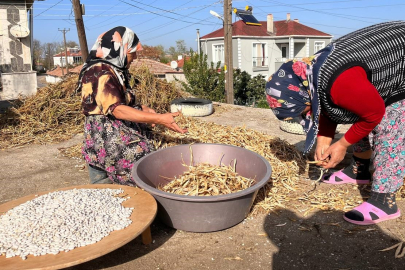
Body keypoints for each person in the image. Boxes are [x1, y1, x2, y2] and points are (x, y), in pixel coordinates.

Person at [265, 21, 405, 225]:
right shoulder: (309, 75)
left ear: (304, 96)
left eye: (302, 112)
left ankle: (385, 200)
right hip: (376, 64)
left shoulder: (340, 82)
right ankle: (360, 169)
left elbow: (374, 113)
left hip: (400, 65)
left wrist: (341, 145)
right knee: (357, 106)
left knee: (389, 126)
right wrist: (323, 140)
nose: (304, 116)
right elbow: (326, 104)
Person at [77, 26, 187, 186]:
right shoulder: (101, 72)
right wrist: (159, 118)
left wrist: (143, 109)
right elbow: (118, 110)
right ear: (119, 49)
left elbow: (121, 102)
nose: (135, 56)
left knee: (155, 148)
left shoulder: (114, 69)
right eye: (132, 52)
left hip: (114, 129)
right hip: (106, 138)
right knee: (146, 166)